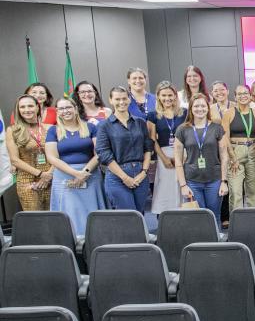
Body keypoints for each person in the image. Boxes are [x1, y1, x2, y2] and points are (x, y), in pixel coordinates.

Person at [44, 97, 104, 234]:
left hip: (90, 174)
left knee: (92, 212)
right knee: (70, 213)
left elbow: (99, 153)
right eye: (61, 108)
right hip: (64, 177)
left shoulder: (90, 127)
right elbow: (51, 157)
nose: (65, 111)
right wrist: (76, 174)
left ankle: (95, 241)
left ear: (76, 109)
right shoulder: (53, 131)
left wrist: (84, 172)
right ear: (57, 112)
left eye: (68, 107)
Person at [95, 86, 153, 211]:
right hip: (117, 176)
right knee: (128, 216)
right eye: (117, 99)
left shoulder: (140, 122)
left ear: (129, 99)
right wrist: (125, 178)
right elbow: (104, 154)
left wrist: (143, 172)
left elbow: (148, 148)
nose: (121, 102)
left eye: (124, 98)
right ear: (111, 100)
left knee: (140, 213)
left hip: (140, 174)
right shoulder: (104, 126)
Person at [174, 93, 228, 219]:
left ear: (208, 108)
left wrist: (224, 181)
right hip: (192, 181)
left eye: (203, 106)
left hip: (214, 180)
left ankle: (215, 239)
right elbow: (178, 160)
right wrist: (183, 185)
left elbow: (224, 157)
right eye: (196, 106)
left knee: (214, 216)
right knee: (197, 217)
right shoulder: (182, 129)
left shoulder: (217, 128)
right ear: (191, 109)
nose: (200, 109)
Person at [6, 94, 52, 210]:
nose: (27, 110)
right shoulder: (13, 130)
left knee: (56, 217)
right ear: (18, 110)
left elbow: (59, 155)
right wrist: (41, 175)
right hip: (27, 182)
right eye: (22, 107)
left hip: (53, 178)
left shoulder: (51, 128)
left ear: (37, 107)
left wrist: (49, 175)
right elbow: (14, 160)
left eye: (30, 106)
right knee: (36, 221)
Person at [146, 81, 184, 214]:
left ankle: (184, 215)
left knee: (181, 185)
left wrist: (182, 156)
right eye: (163, 95)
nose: (167, 98)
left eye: (170, 95)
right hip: (164, 155)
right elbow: (152, 139)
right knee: (165, 187)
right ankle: (166, 217)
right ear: (158, 97)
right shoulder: (153, 115)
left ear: (175, 96)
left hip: (182, 154)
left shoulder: (183, 113)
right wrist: (164, 158)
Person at [222, 84, 255, 210]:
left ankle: (252, 219)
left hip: (253, 150)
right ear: (235, 97)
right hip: (235, 150)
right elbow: (225, 138)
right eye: (239, 94)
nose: (243, 96)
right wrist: (232, 157)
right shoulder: (229, 113)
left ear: (251, 96)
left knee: (254, 189)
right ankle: (236, 222)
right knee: (235, 190)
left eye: (246, 93)